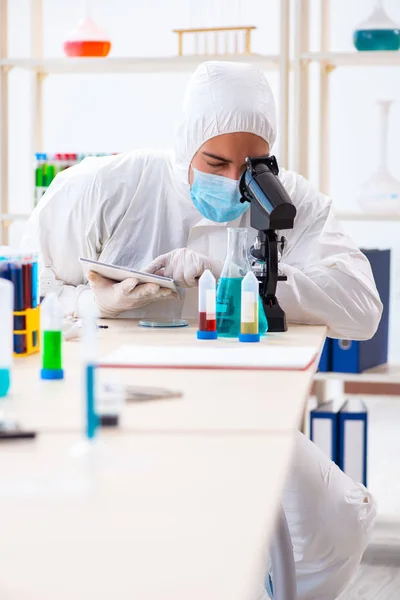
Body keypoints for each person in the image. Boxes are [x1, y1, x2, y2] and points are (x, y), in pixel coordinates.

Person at [24, 61, 381, 599]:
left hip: (241, 406)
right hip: (108, 403)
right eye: (215, 161)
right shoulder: (107, 186)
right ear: (186, 142)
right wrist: (90, 301)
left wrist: (238, 281)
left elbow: (361, 307)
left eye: (251, 164)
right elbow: (19, 289)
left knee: (337, 523)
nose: (233, 180)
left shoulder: (286, 201)